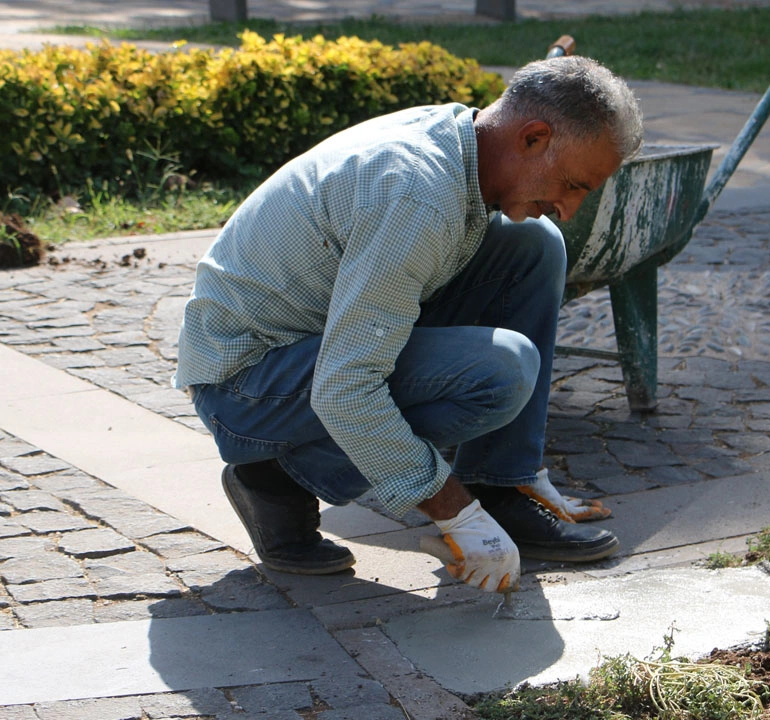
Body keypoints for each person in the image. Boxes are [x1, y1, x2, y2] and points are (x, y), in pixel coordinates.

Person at [174, 55, 643, 593]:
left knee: (533, 246)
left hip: (311, 341)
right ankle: (275, 481)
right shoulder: (417, 194)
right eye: (572, 185)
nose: (569, 207)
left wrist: (496, 491)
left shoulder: (460, 139)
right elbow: (346, 387)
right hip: (245, 385)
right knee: (501, 371)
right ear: (533, 138)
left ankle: (501, 485)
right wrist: (455, 514)